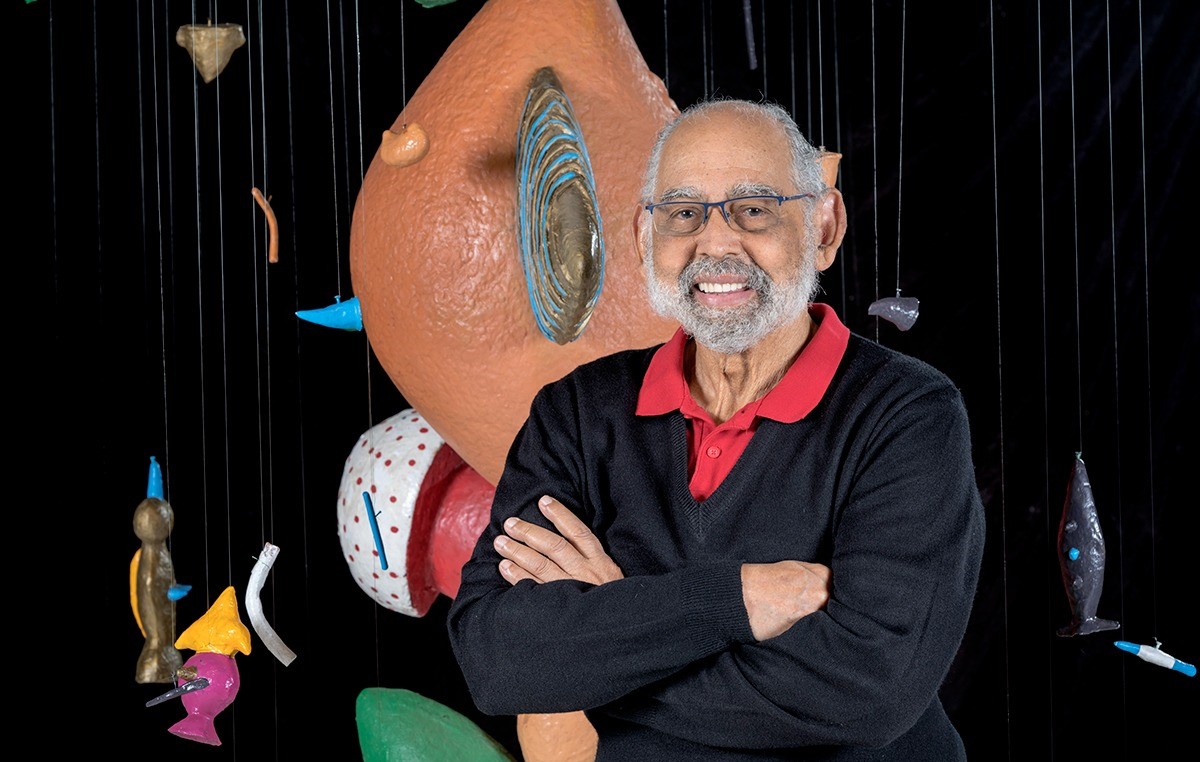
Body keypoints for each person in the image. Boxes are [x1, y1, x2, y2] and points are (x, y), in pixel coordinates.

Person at [446, 97, 986, 760]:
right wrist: (730, 601)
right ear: (644, 236)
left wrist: (616, 629)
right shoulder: (577, 412)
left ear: (823, 227)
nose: (718, 243)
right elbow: (497, 660)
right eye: (683, 214)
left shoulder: (909, 414)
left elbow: (871, 691)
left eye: (754, 209)